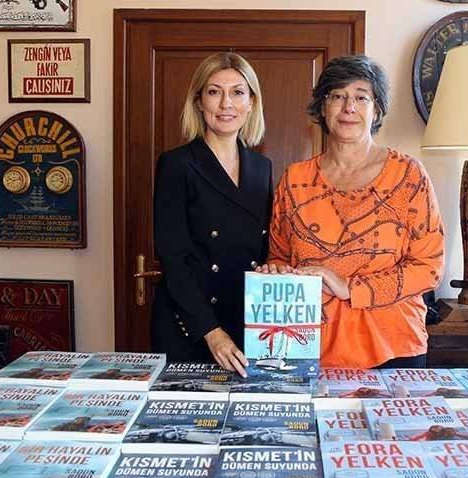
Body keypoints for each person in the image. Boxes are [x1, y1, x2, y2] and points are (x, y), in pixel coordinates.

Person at [261, 55, 444, 369]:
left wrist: (350, 288)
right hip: (307, 348)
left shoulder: (408, 175)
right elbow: (279, 256)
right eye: (337, 96)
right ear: (322, 107)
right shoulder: (294, 179)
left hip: (393, 347)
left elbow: (429, 267)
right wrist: (277, 274)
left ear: (377, 110)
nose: (349, 107)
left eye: (361, 97)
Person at [151, 52, 272, 376]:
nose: (226, 104)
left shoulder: (262, 167)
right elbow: (173, 259)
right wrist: (211, 332)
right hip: (191, 326)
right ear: (199, 102)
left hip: (245, 322)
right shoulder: (177, 164)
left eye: (237, 92)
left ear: (251, 103)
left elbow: (263, 251)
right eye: (214, 92)